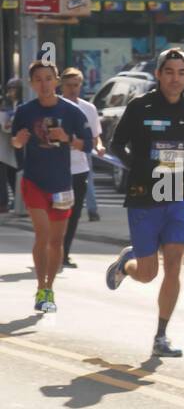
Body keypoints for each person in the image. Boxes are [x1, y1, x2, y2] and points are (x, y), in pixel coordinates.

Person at [104, 48, 184, 357]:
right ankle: (127, 263)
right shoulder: (140, 106)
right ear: (159, 74)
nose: (176, 79)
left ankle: (161, 336)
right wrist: (139, 169)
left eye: (182, 73)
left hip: (177, 197)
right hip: (143, 197)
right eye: (170, 72)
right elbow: (116, 145)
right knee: (148, 273)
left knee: (174, 265)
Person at [11, 61, 93, 312]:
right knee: (43, 234)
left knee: (57, 241)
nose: (44, 84)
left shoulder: (72, 112)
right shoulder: (25, 111)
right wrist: (18, 141)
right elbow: (15, 141)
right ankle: (40, 288)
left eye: (48, 78)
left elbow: (87, 145)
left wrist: (67, 138)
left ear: (56, 81)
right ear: (32, 83)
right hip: (34, 180)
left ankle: (49, 288)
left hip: (62, 183)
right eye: (39, 79)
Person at [58, 68, 106, 268]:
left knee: (74, 213)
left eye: (76, 85)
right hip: (57, 169)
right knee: (58, 214)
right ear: (61, 86)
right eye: (69, 85)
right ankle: (54, 250)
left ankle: (64, 254)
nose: (72, 89)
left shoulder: (89, 108)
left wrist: (100, 146)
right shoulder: (55, 106)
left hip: (80, 169)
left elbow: (95, 136)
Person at [0, 77, 23, 213]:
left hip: (18, 145)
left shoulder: (21, 104)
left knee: (17, 173)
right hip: (7, 145)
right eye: (9, 88)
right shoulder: (6, 104)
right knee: (9, 174)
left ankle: (19, 201)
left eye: (14, 88)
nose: (11, 91)